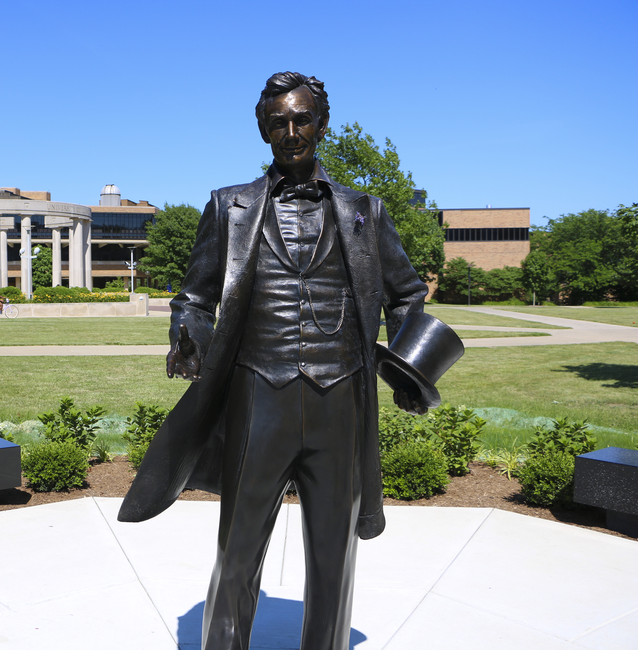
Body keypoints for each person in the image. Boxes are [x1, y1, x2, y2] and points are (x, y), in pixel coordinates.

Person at [118, 72, 430, 650]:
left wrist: (410, 369)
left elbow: (407, 295)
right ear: (264, 130)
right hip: (257, 398)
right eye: (279, 122)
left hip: (340, 402)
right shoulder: (229, 207)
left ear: (321, 123)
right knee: (236, 551)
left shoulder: (367, 213)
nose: (291, 132)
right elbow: (194, 295)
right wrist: (188, 331)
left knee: (334, 557)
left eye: (301, 119)